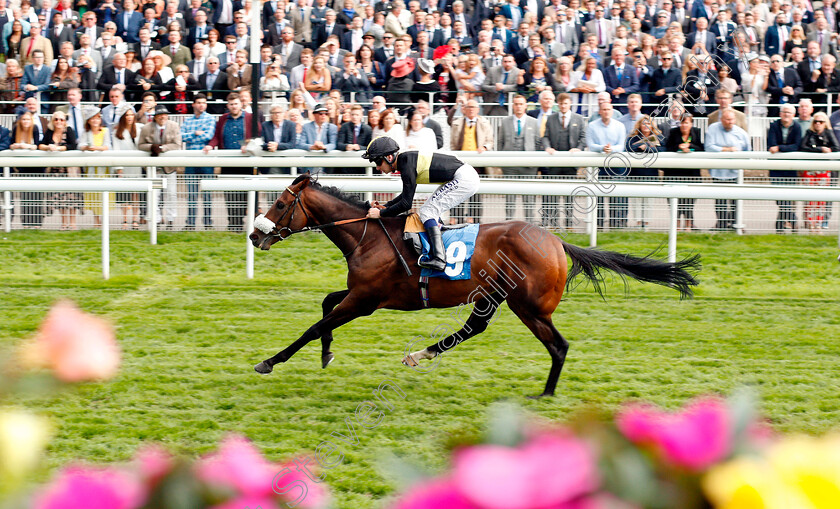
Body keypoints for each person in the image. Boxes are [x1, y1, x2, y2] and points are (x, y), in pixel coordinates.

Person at [362, 136, 480, 272]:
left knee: (427, 211)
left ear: (389, 157)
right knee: (428, 210)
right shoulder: (405, 161)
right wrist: (386, 206)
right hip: (463, 176)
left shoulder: (406, 163)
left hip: (464, 178)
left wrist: (381, 214)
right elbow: (405, 196)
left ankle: (440, 258)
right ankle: (439, 249)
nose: (377, 167)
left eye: (378, 161)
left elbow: (406, 204)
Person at [203, 92, 260, 231]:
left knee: (248, 194)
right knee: (230, 194)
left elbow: (258, 135)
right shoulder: (223, 119)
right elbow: (217, 136)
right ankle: (234, 224)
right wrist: (211, 145)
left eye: (236, 104)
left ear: (241, 104)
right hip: (228, 161)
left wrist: (249, 145)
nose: (234, 107)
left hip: (247, 162)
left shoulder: (250, 118)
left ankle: (252, 225)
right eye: (231, 104)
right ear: (228, 105)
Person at [448, 98, 493, 223]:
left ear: (478, 110)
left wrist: (484, 147)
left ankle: (474, 217)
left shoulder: (485, 123)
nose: (471, 110)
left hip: (478, 162)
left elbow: (490, 141)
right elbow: (453, 141)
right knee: (458, 190)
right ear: (465, 109)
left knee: (476, 192)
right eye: (469, 107)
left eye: (474, 107)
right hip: (461, 163)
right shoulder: (457, 123)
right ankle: (456, 217)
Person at [705, 109, 750, 230]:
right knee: (720, 202)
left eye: (732, 120)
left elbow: (748, 151)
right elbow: (709, 147)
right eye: (727, 120)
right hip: (718, 172)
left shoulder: (741, 133)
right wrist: (727, 149)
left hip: (735, 173)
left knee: (736, 201)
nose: (730, 122)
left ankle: (736, 224)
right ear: (721, 120)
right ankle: (722, 225)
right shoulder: (713, 128)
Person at [138, 104, 181, 229]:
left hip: (169, 166)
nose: (162, 117)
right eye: (160, 115)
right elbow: (140, 145)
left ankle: (171, 218)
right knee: (154, 194)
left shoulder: (174, 126)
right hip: (154, 167)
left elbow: (177, 144)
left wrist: (162, 148)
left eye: (164, 114)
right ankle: (155, 219)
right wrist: (151, 147)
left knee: (171, 193)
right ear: (155, 117)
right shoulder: (146, 128)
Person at [587, 102, 628, 229]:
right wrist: (602, 148)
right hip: (599, 165)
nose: (606, 111)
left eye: (608, 109)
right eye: (603, 109)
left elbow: (622, 146)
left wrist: (611, 149)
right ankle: (598, 224)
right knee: (598, 195)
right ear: (600, 111)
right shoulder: (592, 126)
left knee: (616, 194)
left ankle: (615, 224)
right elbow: (590, 145)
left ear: (612, 111)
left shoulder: (619, 125)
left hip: (616, 164)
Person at [499, 94, 539, 223]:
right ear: (513, 106)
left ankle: (530, 223)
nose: (518, 106)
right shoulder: (505, 122)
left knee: (529, 197)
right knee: (510, 196)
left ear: (525, 106)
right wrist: (503, 162)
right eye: (516, 104)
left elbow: (538, 142)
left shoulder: (534, 122)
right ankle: (508, 223)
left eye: (521, 104)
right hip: (510, 165)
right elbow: (500, 142)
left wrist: (535, 162)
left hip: (529, 165)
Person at [799, 111, 840, 231]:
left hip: (823, 170)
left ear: (825, 123)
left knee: (821, 198)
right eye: (816, 121)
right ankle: (810, 223)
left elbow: (836, 147)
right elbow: (803, 147)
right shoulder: (809, 133)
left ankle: (819, 224)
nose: (818, 124)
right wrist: (820, 149)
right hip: (810, 170)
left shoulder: (829, 133)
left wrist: (826, 150)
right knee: (810, 197)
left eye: (821, 122)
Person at [40, 110, 79, 230]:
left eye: (61, 119)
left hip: (69, 169)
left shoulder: (69, 131)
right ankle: (64, 223)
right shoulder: (50, 132)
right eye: (56, 119)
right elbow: (40, 144)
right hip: (55, 170)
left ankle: (72, 223)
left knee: (72, 197)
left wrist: (59, 148)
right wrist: (48, 147)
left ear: (65, 121)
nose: (59, 122)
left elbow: (73, 146)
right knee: (60, 198)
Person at [664, 113, 703, 231]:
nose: (684, 125)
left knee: (689, 202)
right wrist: (679, 147)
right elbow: (668, 148)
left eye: (686, 123)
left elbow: (701, 148)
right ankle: (676, 227)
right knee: (675, 202)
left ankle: (688, 226)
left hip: (691, 173)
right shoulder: (673, 132)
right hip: (674, 173)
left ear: (691, 124)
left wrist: (690, 146)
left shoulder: (697, 132)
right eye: (682, 123)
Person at [767, 104, 803, 233]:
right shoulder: (773, 126)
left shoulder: (797, 127)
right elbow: (771, 145)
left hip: (791, 168)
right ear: (780, 113)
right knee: (780, 198)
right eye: (784, 112)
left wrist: (780, 148)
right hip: (776, 168)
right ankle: (793, 221)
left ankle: (779, 227)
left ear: (793, 115)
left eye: (789, 112)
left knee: (786, 198)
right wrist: (781, 148)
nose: (786, 114)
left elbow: (797, 146)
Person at [625, 115, 662, 228]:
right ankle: (638, 222)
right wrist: (641, 147)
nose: (646, 126)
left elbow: (661, 149)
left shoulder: (657, 137)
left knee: (649, 200)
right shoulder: (633, 137)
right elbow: (629, 148)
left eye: (648, 123)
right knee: (636, 200)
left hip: (651, 174)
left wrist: (646, 148)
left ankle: (646, 222)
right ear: (639, 125)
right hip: (635, 173)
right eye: (643, 123)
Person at [111, 103, 144, 229]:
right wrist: (119, 168)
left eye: (131, 115)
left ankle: (135, 219)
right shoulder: (117, 131)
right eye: (127, 115)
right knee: (124, 195)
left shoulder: (140, 128)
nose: (129, 117)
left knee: (136, 194)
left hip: (137, 166)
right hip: (124, 166)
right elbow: (116, 150)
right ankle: (125, 220)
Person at [78, 106, 113, 228]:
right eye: (92, 119)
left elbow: (107, 145)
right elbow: (80, 145)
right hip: (91, 168)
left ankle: (104, 221)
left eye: (97, 118)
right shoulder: (86, 133)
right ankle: (96, 221)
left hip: (103, 168)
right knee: (94, 194)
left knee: (104, 194)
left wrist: (97, 148)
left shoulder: (105, 131)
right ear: (88, 121)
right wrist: (87, 148)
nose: (95, 121)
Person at [11, 111, 43, 228]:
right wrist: (16, 146)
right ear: (20, 120)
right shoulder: (16, 129)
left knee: (36, 195)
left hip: (36, 165)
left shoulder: (34, 128)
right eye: (24, 119)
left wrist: (27, 146)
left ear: (31, 120)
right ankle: (26, 223)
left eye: (28, 119)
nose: (26, 122)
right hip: (23, 166)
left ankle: (37, 223)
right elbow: (11, 144)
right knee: (25, 195)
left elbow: (37, 145)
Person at [336, 104, 372, 174]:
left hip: (361, 162)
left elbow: (369, 147)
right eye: (353, 115)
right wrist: (346, 146)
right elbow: (339, 144)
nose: (354, 117)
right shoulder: (344, 127)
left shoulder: (368, 129)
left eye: (357, 115)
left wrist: (359, 147)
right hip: (346, 162)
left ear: (361, 116)